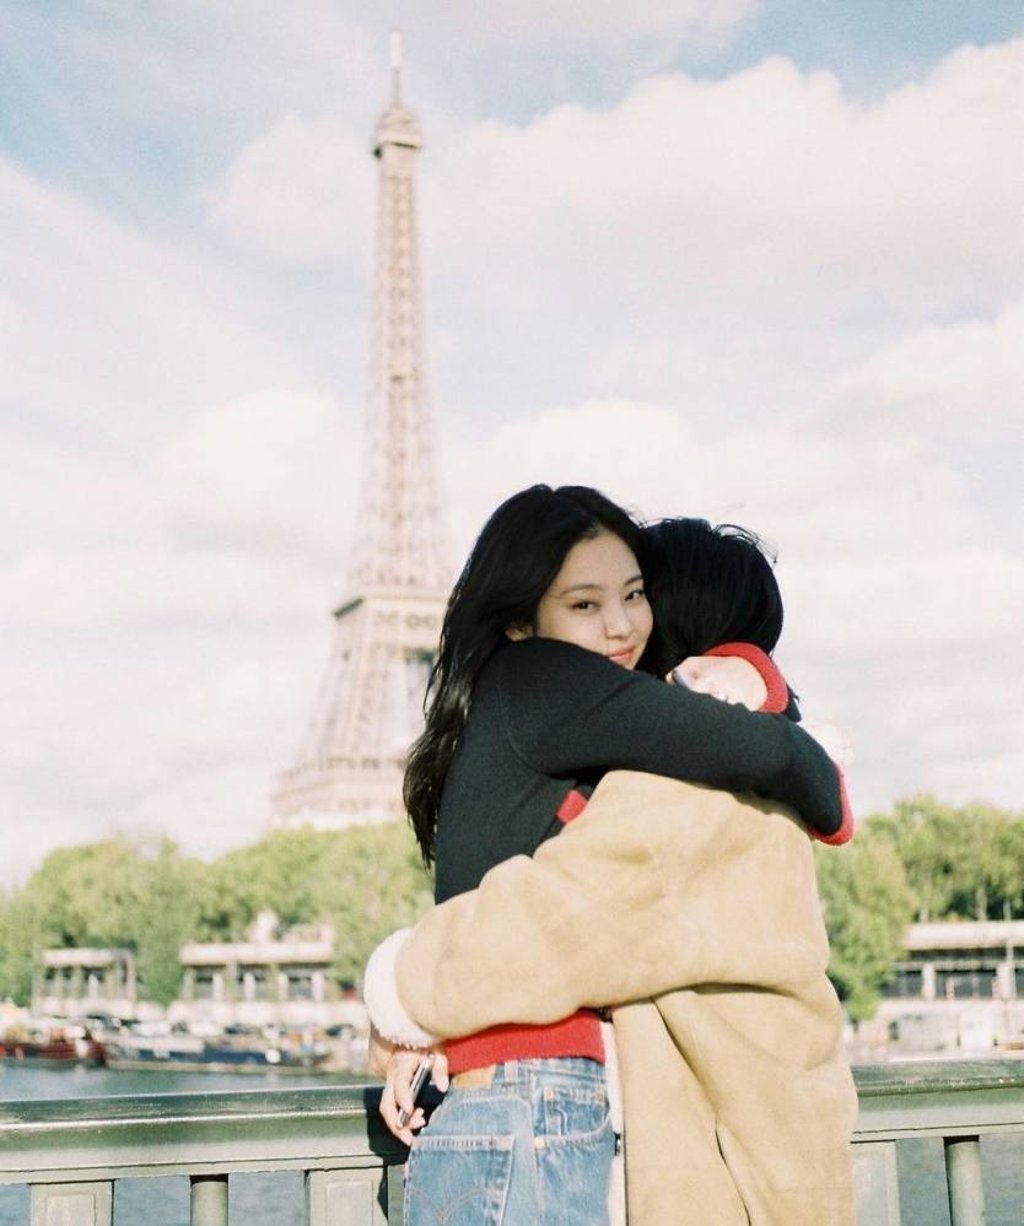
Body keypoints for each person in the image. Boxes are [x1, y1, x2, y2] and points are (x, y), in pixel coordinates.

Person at [366, 487, 853, 1225]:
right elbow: (764, 751)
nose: (621, 626)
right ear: (521, 620)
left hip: (503, 1091)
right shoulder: (547, 679)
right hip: (530, 1096)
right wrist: (782, 712)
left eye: (634, 595)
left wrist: (409, 1012)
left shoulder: (539, 711)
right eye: (585, 604)